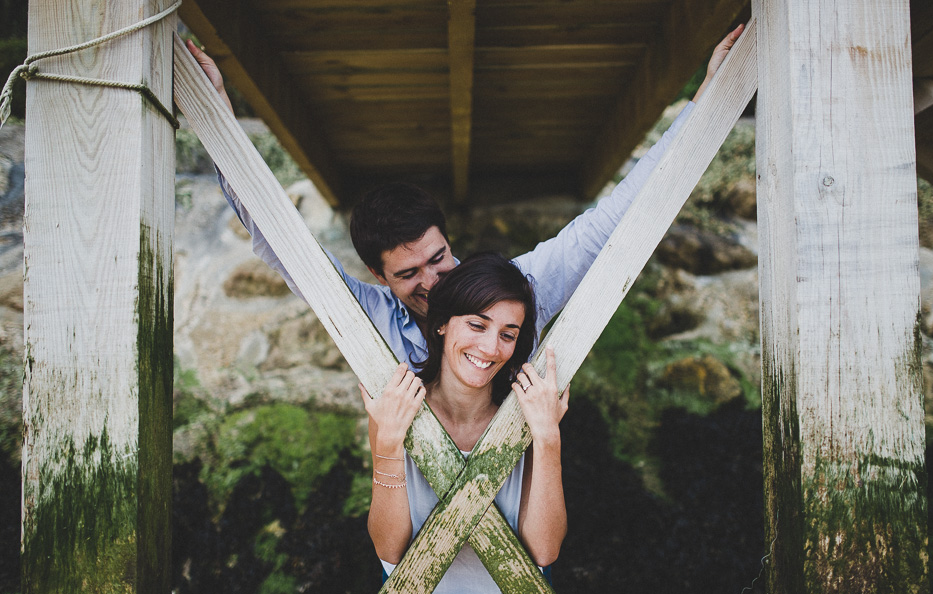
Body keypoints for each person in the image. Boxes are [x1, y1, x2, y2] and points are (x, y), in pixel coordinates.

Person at [185, 25, 744, 369]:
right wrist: (218, 122)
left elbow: (610, 224)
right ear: (381, 279)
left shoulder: (517, 289)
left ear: (449, 241)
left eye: (437, 258)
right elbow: (279, 240)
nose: (433, 282)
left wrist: (708, 103)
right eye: (408, 275)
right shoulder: (368, 315)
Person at [358, 252, 567, 594]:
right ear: (441, 325)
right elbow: (388, 549)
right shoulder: (397, 407)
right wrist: (387, 442)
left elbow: (544, 551)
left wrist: (547, 437)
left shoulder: (526, 415)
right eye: (477, 325)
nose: (490, 348)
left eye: (507, 334)